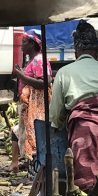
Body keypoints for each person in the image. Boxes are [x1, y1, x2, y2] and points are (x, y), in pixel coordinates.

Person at [49, 20, 98, 192]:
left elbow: (55, 113)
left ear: (76, 50)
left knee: (86, 181)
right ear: (97, 50)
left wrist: (58, 125)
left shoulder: (64, 72)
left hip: (84, 129)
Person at [9, 30, 52, 173]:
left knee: (34, 134)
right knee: (22, 132)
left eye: (24, 42)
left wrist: (21, 75)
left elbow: (44, 82)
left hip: (38, 105)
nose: (21, 45)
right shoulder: (33, 61)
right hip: (29, 105)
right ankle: (30, 167)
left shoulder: (40, 59)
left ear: (33, 44)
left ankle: (37, 170)